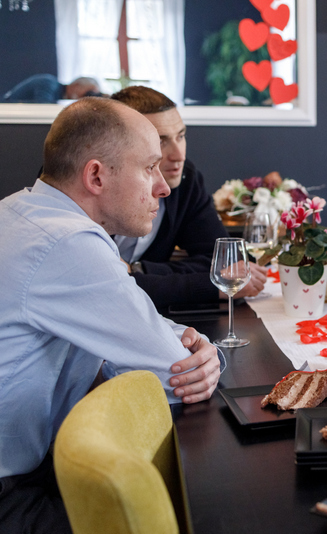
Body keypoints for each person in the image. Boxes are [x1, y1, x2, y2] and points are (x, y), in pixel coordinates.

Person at [0, 97, 222, 533]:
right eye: (149, 167)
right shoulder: (69, 242)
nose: (163, 187)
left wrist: (183, 340)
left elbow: (134, 324)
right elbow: (173, 374)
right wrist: (202, 353)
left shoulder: (20, 210)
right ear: (96, 176)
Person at [110, 86, 268, 309]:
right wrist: (209, 285)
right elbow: (106, 286)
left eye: (181, 136)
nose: (179, 155)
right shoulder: (95, 188)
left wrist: (139, 270)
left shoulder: (186, 179)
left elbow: (229, 261)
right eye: (161, 140)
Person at [1, 74, 101, 103]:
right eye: (89, 93)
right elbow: (43, 109)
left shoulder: (58, 95)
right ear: (76, 86)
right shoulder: (48, 84)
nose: (87, 97)